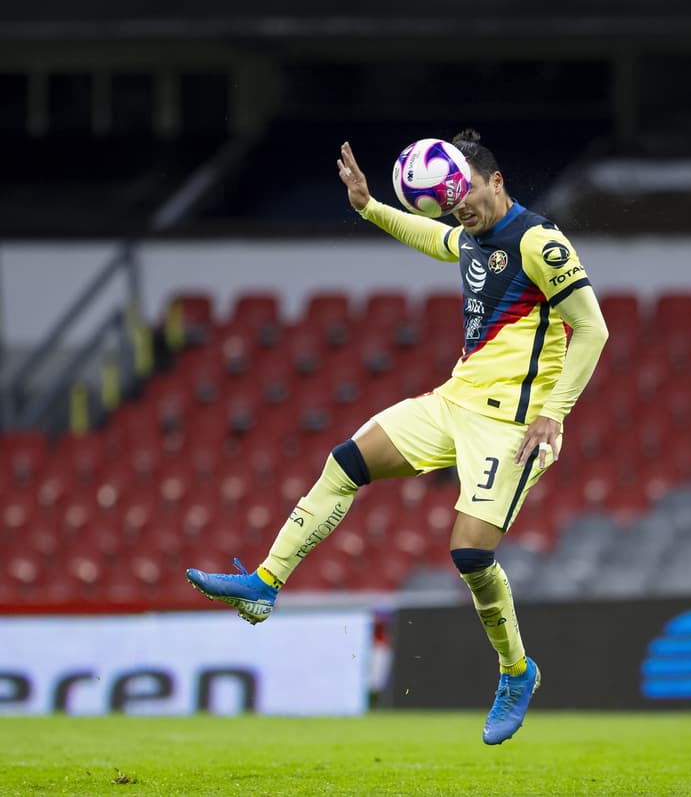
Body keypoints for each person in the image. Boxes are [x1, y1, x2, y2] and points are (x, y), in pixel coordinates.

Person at [186, 129, 609, 744]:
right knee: (345, 462)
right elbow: (433, 239)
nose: (461, 214)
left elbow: (592, 329)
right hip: (453, 403)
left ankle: (517, 672)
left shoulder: (539, 241)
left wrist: (556, 412)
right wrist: (367, 207)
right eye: (451, 208)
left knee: (469, 554)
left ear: (494, 181)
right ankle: (264, 584)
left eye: (466, 202)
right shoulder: (467, 233)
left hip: (515, 425)